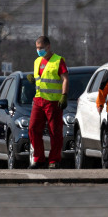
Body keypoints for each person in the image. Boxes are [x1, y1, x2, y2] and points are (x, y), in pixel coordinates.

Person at [27, 35, 69, 169]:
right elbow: (41, 79)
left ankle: (54, 160)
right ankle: (39, 159)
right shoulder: (37, 61)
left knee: (55, 132)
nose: (39, 50)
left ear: (48, 47)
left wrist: (64, 95)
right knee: (33, 129)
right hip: (39, 100)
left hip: (53, 102)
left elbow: (65, 79)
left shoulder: (58, 61)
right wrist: (33, 79)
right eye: (37, 48)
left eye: (41, 48)